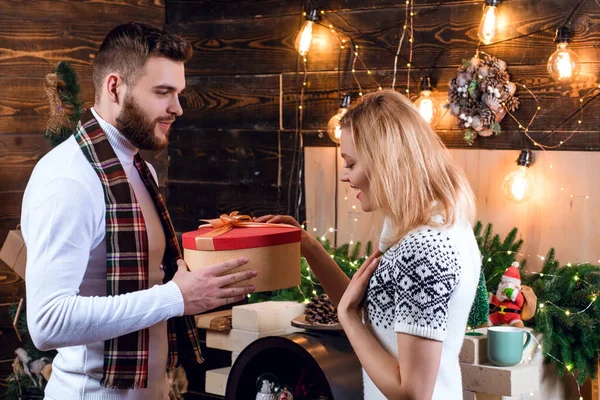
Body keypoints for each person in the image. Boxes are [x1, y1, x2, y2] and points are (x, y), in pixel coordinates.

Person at [21, 22, 256, 399]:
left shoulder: (137, 167)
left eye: (178, 93)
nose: (177, 108)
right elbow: (48, 323)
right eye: (163, 92)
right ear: (115, 87)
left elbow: (149, 281)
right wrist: (176, 298)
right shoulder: (69, 178)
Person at [257, 89, 481, 399]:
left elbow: (413, 393)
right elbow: (373, 313)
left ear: (385, 162)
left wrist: (348, 319)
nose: (344, 176)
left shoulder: (424, 248)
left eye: (350, 163)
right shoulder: (424, 225)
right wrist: (308, 247)